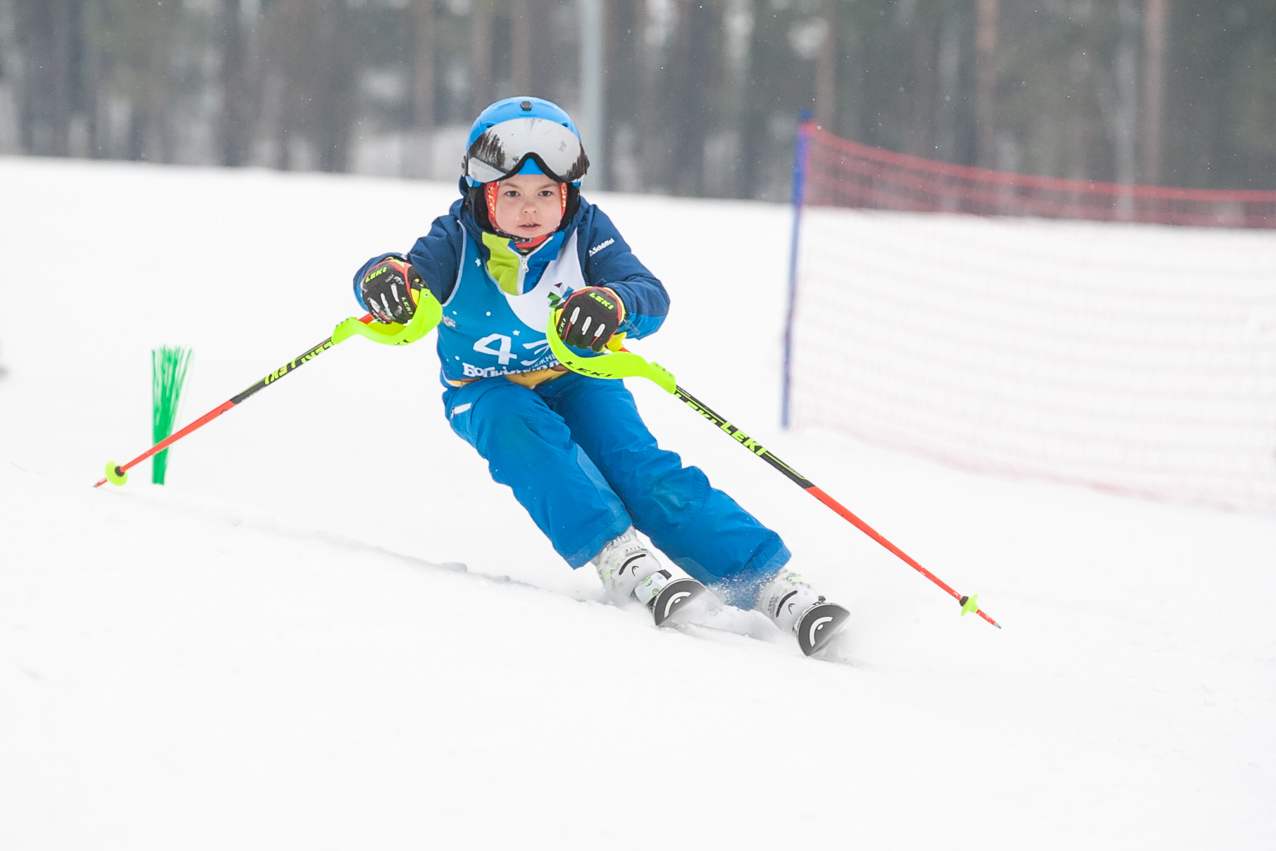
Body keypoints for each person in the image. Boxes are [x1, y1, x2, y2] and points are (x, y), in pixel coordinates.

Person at [352, 96, 846, 654]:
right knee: (523, 433)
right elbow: (404, 276)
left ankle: (773, 586)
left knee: (640, 470)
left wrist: (614, 303)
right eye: (511, 194)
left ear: (569, 193)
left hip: (576, 375)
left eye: (546, 193)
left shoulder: (586, 231)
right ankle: (619, 557)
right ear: (480, 193)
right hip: (484, 388)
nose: (530, 209)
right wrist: (382, 280)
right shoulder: (455, 239)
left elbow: (648, 294)